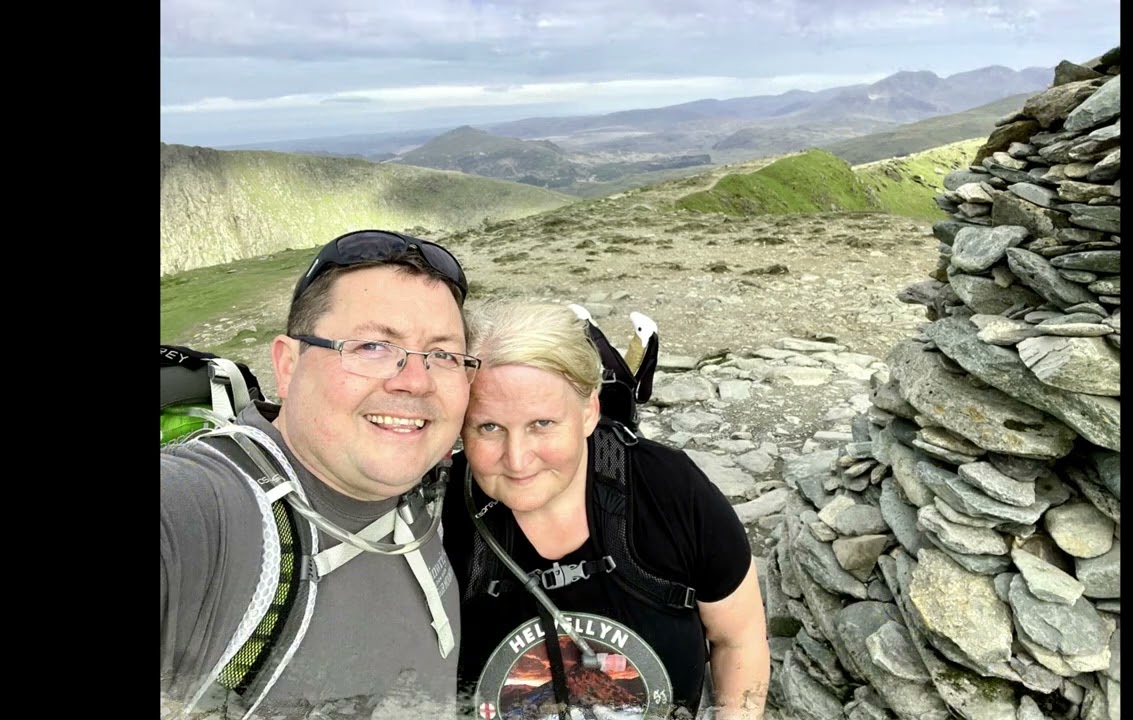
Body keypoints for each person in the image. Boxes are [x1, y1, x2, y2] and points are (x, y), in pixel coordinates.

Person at [161, 229, 480, 719]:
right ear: (288, 366)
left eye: (442, 355)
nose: (416, 382)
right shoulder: (210, 511)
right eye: (372, 346)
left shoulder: (431, 483)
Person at [442, 301, 769, 720]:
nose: (518, 459)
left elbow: (738, 637)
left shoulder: (669, 490)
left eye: (542, 424)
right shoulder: (438, 517)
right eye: (489, 427)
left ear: (588, 412)